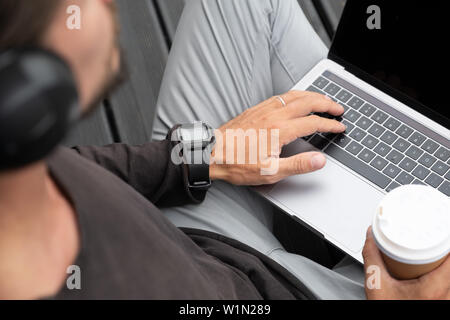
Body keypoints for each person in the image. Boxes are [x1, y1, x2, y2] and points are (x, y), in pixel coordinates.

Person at [0, 0, 448, 300]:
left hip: (191, 228)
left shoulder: (19, 158)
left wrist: (207, 154)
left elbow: (81, 168)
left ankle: (381, 112)